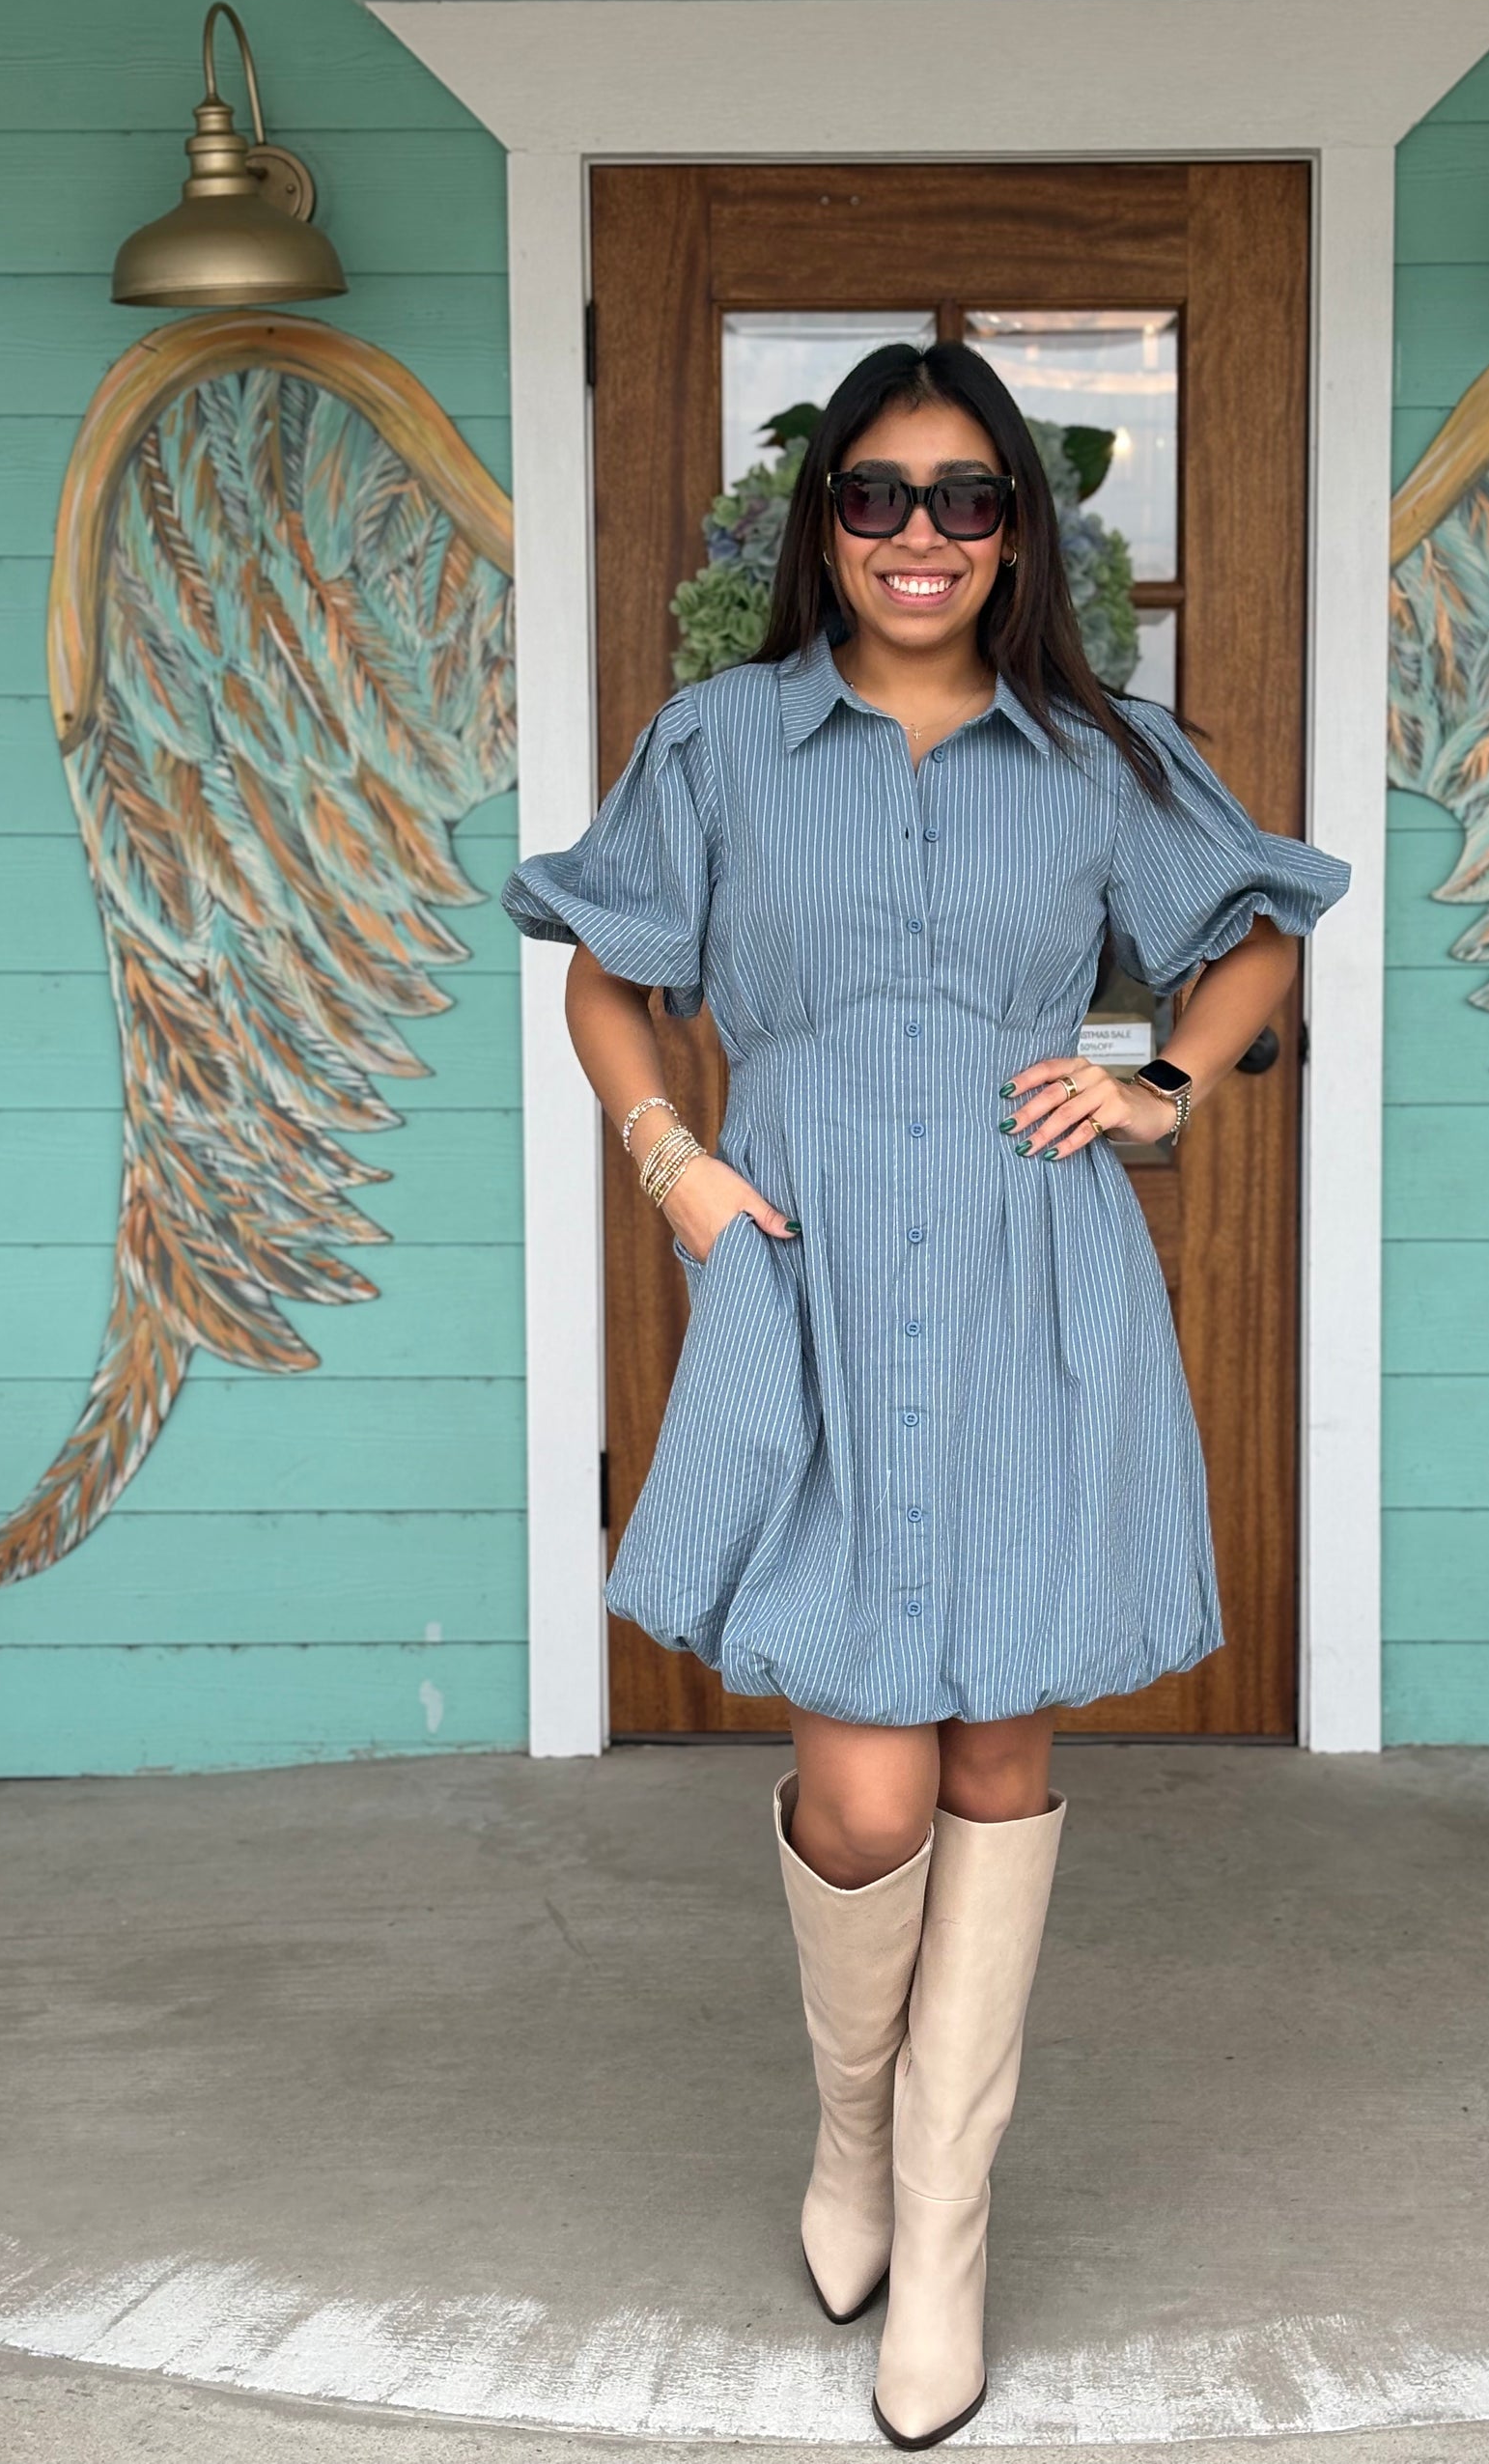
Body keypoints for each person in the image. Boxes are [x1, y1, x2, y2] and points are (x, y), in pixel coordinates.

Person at [501, 341, 1350, 2448]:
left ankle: (943, 2230)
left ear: (1017, 534)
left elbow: (1255, 941)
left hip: (1028, 1278)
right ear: (821, 524)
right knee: (867, 1790)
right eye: (874, 494)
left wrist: (1158, 1083)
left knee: (992, 1755)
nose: (917, 535)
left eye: (966, 498)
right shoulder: (719, 742)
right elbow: (607, 970)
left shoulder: (1100, 757)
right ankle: (853, 2130)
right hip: (800, 1279)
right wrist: (672, 1164)